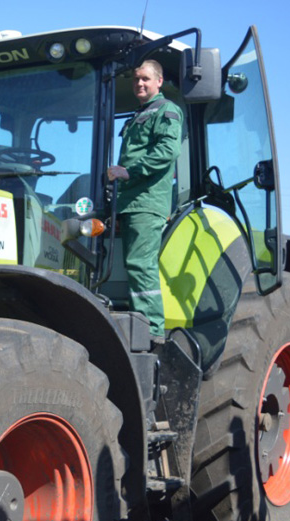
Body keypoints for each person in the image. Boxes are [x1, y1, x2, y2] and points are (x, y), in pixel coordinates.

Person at [107, 59, 183, 339]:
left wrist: (128, 171)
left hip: (147, 202)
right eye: (136, 79)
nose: (139, 83)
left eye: (146, 79)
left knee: (141, 265)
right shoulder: (139, 115)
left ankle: (151, 332)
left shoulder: (166, 110)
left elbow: (166, 152)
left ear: (159, 81)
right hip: (130, 203)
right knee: (132, 265)